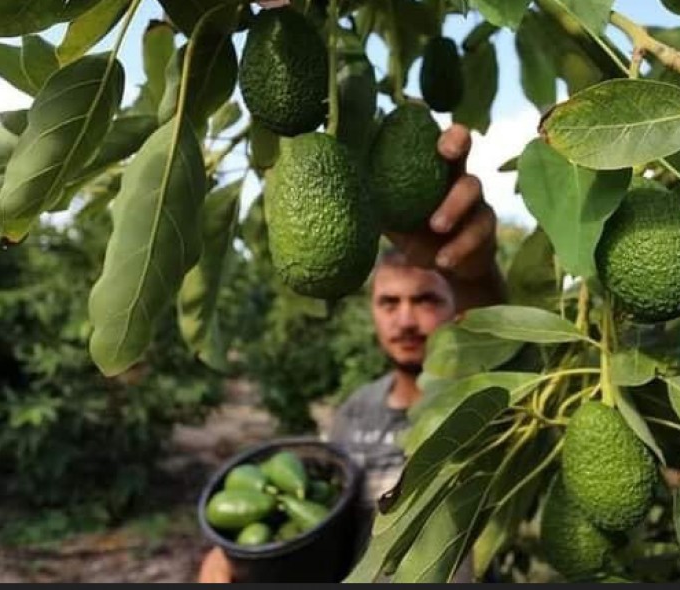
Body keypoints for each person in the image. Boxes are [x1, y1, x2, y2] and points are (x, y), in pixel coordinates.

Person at [198, 122, 506, 583]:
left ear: (453, 306)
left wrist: (476, 279)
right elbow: (325, 522)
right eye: (389, 302)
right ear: (372, 311)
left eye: (426, 299)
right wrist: (246, 556)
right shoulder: (354, 413)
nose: (405, 320)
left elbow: (501, 344)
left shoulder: (486, 400)